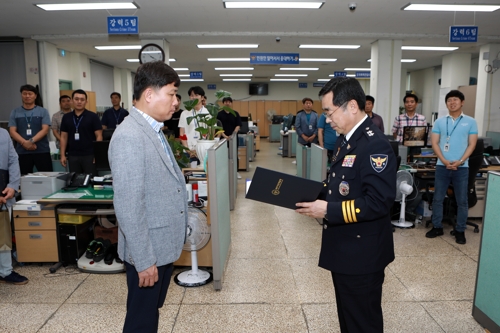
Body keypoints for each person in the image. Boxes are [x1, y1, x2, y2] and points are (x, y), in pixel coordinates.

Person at [296, 77, 396, 333]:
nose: (327, 119)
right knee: (350, 318)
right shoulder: (347, 139)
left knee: (362, 322)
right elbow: (343, 186)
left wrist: (327, 209)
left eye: (329, 111)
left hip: (363, 253)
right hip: (346, 248)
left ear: (352, 106)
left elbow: (378, 202)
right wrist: (306, 193)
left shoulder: (375, 145)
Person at [109, 61, 187, 333]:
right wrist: (144, 261)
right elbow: (129, 206)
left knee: (148, 314)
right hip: (148, 252)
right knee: (141, 321)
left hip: (161, 245)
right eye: (172, 93)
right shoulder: (130, 136)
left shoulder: (153, 129)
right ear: (150, 95)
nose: (176, 101)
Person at [425, 90, 478, 245]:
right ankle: (437, 226)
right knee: (438, 198)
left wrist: (460, 161)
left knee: (462, 200)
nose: (452, 103)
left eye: (455, 100)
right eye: (449, 100)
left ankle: (460, 230)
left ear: (462, 102)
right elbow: (435, 143)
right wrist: (444, 160)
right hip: (442, 166)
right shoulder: (440, 122)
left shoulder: (471, 121)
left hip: (462, 167)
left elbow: (472, 144)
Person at [0, 128, 28, 285]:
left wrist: (12, 185)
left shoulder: (3, 133)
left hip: (5, 192)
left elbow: (13, 160)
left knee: (3, 233)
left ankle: (5, 272)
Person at [8, 84, 53, 175]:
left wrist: (31, 141)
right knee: (23, 179)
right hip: (22, 151)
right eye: (25, 93)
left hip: (42, 150)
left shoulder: (43, 111)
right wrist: (24, 143)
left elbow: (45, 130)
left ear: (35, 96)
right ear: (21, 95)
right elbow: (12, 131)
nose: (27, 96)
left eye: (30, 94)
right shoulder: (15, 112)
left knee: (47, 177)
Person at [59, 89, 103, 174]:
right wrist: (62, 155)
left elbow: (99, 136)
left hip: (89, 155)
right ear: (71, 101)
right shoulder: (66, 117)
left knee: (91, 180)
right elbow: (63, 137)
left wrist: (97, 154)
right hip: (72, 155)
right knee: (75, 181)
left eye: (82, 100)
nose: (79, 102)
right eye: (76, 99)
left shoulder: (93, 116)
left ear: (86, 101)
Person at [178, 86, 209, 150]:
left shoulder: (208, 112)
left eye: (196, 95)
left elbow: (211, 132)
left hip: (204, 149)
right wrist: (187, 149)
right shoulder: (184, 113)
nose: (194, 97)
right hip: (188, 149)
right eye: (192, 95)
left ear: (202, 97)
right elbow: (182, 133)